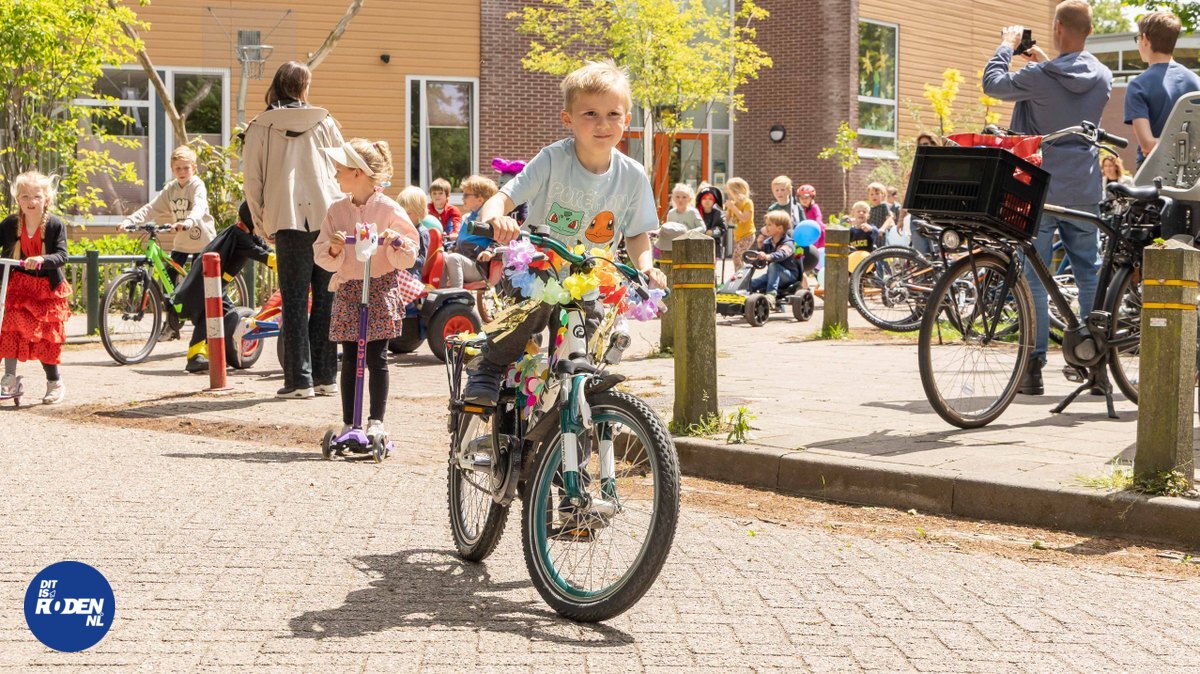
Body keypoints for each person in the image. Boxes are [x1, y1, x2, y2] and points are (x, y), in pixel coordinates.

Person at [461, 59, 666, 406]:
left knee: (591, 333)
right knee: (534, 307)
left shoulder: (632, 175)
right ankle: (490, 365)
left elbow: (637, 234)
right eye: (590, 114)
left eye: (613, 115)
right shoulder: (553, 159)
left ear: (626, 120)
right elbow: (502, 198)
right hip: (537, 265)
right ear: (568, 119)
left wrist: (646, 267)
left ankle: (575, 422)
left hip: (589, 273)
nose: (603, 124)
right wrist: (499, 219)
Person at [983, 1, 1112, 395]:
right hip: (1085, 188)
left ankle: (1032, 367)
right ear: (1087, 30)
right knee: (1089, 272)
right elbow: (1066, 87)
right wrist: (1044, 60)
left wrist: (1006, 46)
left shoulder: (1039, 76)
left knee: (1035, 276)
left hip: (1042, 187)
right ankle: (1095, 366)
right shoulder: (1103, 76)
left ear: (1057, 28)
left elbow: (993, 84)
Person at [242, 60, 344, 399]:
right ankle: (326, 377)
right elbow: (341, 170)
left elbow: (252, 181)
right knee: (327, 298)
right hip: (327, 218)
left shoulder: (259, 126)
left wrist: (261, 223)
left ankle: (299, 380)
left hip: (285, 220)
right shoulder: (325, 122)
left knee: (295, 301)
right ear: (303, 87)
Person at [313, 139, 421, 440]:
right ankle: (350, 422)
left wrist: (395, 240)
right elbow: (321, 252)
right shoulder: (336, 210)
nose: (335, 176)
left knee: (376, 357)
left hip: (380, 285)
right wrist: (334, 248)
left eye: (340, 170)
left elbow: (410, 251)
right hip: (350, 287)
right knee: (349, 356)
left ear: (358, 172)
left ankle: (376, 420)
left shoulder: (389, 208)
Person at [171, 201, 274, 373]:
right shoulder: (239, 236)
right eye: (259, 220)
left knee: (227, 315)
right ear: (251, 220)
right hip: (206, 284)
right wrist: (281, 263)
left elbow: (263, 248)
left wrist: (277, 254)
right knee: (210, 314)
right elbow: (260, 254)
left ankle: (215, 352)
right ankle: (195, 357)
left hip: (216, 285)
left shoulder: (243, 233)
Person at [0, 171, 71, 404]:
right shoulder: (11, 224)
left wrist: (43, 259)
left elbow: (62, 255)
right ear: (17, 199)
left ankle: (54, 382)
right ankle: (8, 378)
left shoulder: (54, 225)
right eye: (25, 196)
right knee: (10, 329)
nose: (31, 202)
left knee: (45, 338)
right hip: (18, 285)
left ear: (47, 199)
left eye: (36, 197)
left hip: (45, 289)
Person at [119, 145, 216, 286]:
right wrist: (129, 220)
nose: (182, 172)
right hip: (182, 244)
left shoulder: (197, 185)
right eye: (178, 168)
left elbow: (199, 206)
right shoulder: (171, 189)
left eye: (186, 168)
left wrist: (188, 222)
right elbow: (151, 208)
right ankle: (172, 308)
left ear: (194, 168)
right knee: (168, 281)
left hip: (203, 242)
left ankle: (203, 307)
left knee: (198, 285)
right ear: (172, 169)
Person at [1124, 11, 1200, 167]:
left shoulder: (1138, 85)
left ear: (1144, 39)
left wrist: (1160, 144)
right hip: (1191, 177)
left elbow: (1147, 145)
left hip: (1152, 175)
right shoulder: (1196, 82)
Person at [442, 175, 500, 289]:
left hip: (478, 268)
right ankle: (441, 293)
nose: (462, 198)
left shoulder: (489, 220)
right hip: (464, 263)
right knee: (442, 256)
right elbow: (460, 242)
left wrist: (489, 251)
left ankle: (457, 296)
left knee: (453, 258)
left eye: (466, 195)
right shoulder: (467, 218)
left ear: (480, 199)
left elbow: (500, 242)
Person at [749, 211, 800, 303]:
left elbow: (781, 254)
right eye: (766, 224)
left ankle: (771, 295)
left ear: (780, 228)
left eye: (769, 225)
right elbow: (761, 263)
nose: (765, 227)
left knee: (774, 265)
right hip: (772, 275)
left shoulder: (788, 243)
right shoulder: (767, 243)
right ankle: (744, 301)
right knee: (751, 284)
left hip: (788, 276)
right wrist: (760, 247)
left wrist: (767, 256)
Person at [725, 177, 756, 265]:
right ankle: (741, 274)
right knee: (739, 258)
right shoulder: (733, 204)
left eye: (730, 192)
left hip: (747, 235)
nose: (729, 195)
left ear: (736, 191)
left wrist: (732, 207)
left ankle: (741, 277)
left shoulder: (747, 203)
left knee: (736, 256)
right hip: (737, 236)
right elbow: (726, 218)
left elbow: (744, 218)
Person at [696, 185, 726, 257]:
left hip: (713, 246)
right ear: (700, 200)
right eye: (704, 198)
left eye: (710, 199)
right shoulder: (696, 212)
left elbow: (723, 229)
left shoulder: (718, 213)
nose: (707, 201)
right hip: (698, 245)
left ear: (714, 201)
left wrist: (713, 232)